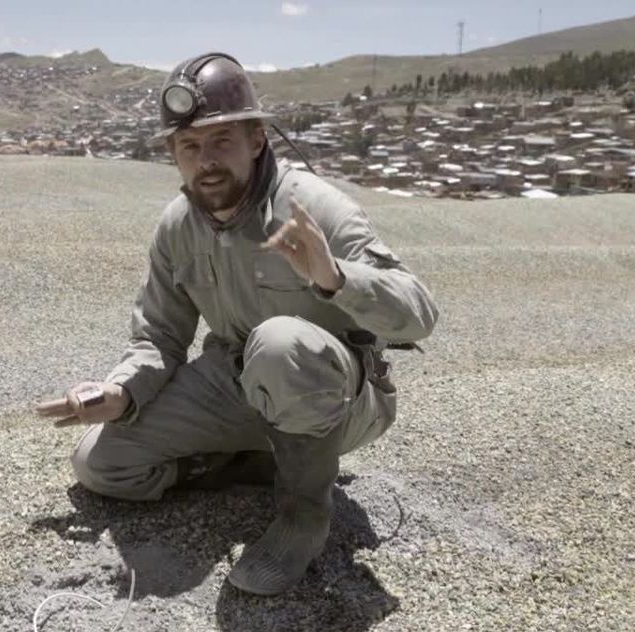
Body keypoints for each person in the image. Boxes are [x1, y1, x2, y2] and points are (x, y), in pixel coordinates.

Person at [36, 52, 438, 595]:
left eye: (222, 140)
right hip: (235, 382)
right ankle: (252, 462)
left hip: (338, 395)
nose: (207, 161)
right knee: (101, 466)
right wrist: (121, 390)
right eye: (190, 147)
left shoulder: (310, 206)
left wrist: (335, 277)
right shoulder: (178, 225)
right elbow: (159, 334)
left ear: (256, 139)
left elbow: (419, 314)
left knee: (279, 343)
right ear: (173, 155)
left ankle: (301, 519)